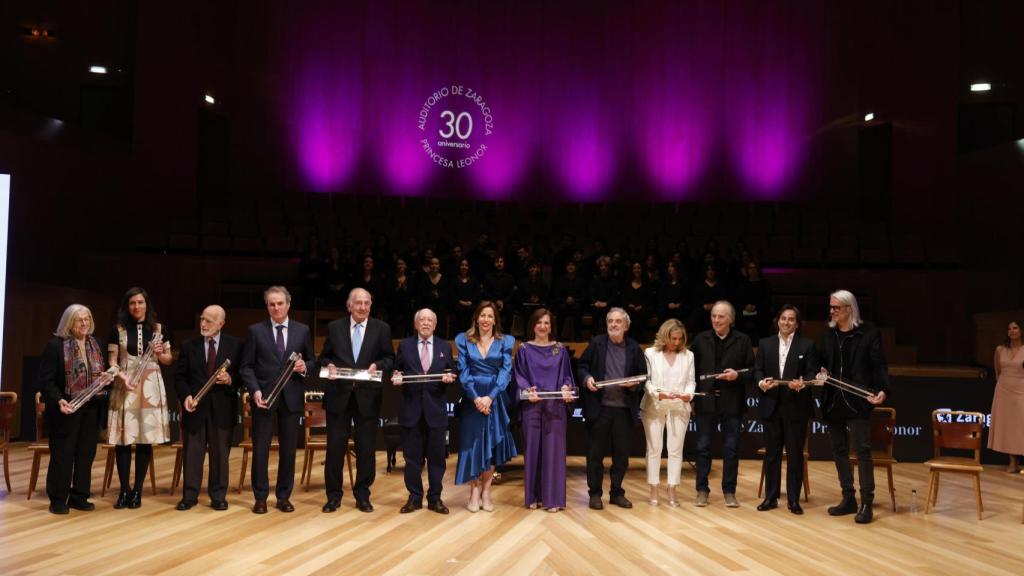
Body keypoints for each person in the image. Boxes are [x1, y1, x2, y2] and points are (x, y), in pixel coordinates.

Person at [318, 287, 394, 513]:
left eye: (367, 303)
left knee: (366, 449)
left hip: (367, 397)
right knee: (334, 449)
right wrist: (328, 365)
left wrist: (377, 366)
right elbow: (324, 356)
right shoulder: (334, 327)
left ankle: (362, 494)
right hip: (338, 396)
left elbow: (390, 358)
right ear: (349, 305)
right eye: (358, 303)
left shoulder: (382, 329)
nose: (363, 307)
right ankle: (333, 496)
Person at [239, 286, 314, 514]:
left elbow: (312, 362)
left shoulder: (303, 331)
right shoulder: (255, 331)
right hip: (264, 399)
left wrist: (304, 367)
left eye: (280, 303)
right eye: (272, 304)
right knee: (260, 449)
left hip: (291, 399)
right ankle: (260, 497)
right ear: (267, 306)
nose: (276, 307)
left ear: (288, 304)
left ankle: (284, 497)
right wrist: (254, 391)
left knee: (289, 450)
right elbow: (246, 367)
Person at [817, 289, 889, 524]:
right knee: (839, 451)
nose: (832, 311)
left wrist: (882, 390)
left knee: (862, 450)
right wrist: (820, 373)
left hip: (858, 401)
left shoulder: (868, 333)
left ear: (849, 308)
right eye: (831, 307)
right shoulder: (828, 335)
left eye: (836, 307)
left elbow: (879, 365)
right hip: (833, 400)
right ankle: (848, 498)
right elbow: (819, 363)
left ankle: (867, 501)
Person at [38, 304, 111, 514]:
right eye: (80, 320)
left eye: (87, 318)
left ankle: (79, 496)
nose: (84, 323)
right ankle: (58, 499)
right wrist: (59, 400)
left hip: (92, 407)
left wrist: (108, 378)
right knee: (63, 453)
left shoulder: (98, 344)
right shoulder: (55, 346)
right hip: (66, 408)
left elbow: (103, 375)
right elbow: (47, 381)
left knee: (86, 453)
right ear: (69, 323)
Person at [107, 287, 173, 509]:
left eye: (140, 302)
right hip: (126, 384)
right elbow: (113, 362)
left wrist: (159, 353)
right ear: (127, 306)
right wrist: (122, 376)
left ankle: (137, 492)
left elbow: (168, 360)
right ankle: (123, 490)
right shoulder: (117, 330)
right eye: (132, 303)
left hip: (150, 385)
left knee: (145, 439)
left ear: (147, 305)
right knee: (123, 440)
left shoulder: (159, 329)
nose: (136, 306)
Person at [174, 305, 242, 511]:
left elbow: (243, 375)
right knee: (193, 454)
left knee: (220, 455)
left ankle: (218, 496)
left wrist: (230, 379)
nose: (203, 324)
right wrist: (185, 395)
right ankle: (190, 495)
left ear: (220, 324)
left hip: (223, 408)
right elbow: (180, 377)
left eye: (209, 321)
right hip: (195, 409)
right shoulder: (189, 345)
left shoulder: (236, 345)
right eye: (202, 319)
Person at [578, 308, 646, 510]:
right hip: (600, 409)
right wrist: (587, 378)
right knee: (595, 454)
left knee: (622, 455)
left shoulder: (634, 348)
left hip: (624, 410)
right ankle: (595, 494)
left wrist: (634, 383)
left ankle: (616, 492)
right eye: (610, 321)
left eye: (618, 321)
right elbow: (582, 367)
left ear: (626, 326)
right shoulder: (597, 344)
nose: (614, 325)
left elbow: (643, 375)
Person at [753, 305, 818, 514]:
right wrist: (762, 382)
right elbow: (758, 370)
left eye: (791, 319)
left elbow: (811, 373)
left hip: (796, 406)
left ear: (797, 324)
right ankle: (771, 498)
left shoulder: (807, 345)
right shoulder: (765, 343)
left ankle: (793, 500)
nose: (786, 322)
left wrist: (803, 383)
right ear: (777, 321)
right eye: (783, 318)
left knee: (795, 455)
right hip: (771, 405)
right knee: (772, 454)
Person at [454, 301, 517, 512]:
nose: (486, 320)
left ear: (495, 320)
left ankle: (487, 491)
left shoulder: (505, 341)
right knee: (472, 444)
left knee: (491, 445)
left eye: (490, 316)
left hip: (494, 396)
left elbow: (505, 371)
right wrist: (476, 398)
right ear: (476, 318)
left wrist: (489, 397)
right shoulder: (463, 339)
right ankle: (473, 491)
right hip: (473, 398)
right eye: (483, 315)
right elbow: (463, 372)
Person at [392, 309, 456, 514]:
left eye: (430, 320)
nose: (426, 323)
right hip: (411, 411)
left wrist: (450, 377)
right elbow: (397, 370)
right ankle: (414, 497)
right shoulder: (405, 345)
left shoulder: (445, 346)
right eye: (422, 319)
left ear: (435, 325)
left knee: (437, 459)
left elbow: (452, 372)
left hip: (435, 411)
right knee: (412, 459)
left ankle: (435, 498)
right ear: (416, 323)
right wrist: (396, 376)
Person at [691, 300, 754, 508]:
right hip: (706, 400)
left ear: (731, 320)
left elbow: (752, 372)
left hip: (732, 401)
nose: (716, 320)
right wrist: (692, 397)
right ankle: (702, 490)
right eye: (714, 316)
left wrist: (737, 376)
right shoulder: (700, 339)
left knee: (731, 448)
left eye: (721, 316)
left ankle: (729, 491)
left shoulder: (743, 340)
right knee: (702, 448)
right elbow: (691, 371)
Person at [514, 308, 575, 512]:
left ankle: (553, 499)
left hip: (555, 406)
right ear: (533, 325)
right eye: (539, 322)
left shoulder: (560, 349)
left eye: (546, 323)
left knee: (554, 452)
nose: (542, 326)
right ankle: (532, 496)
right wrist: (525, 390)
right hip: (532, 405)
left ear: (551, 326)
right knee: (532, 451)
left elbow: (567, 376)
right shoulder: (523, 349)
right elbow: (519, 377)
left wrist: (566, 386)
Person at [640, 319, 695, 508]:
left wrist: (689, 394)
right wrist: (658, 393)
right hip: (655, 406)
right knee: (654, 448)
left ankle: (672, 487)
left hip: (679, 407)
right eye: (673, 338)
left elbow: (691, 381)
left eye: (680, 339)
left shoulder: (688, 355)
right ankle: (654, 487)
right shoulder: (650, 353)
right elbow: (646, 381)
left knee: (676, 449)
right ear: (665, 336)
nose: (677, 342)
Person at [989, 320, 1024, 473]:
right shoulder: (1000, 349)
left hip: (1021, 391)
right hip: (1003, 392)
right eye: (1009, 328)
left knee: (1020, 426)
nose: (1012, 331)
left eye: (1015, 328)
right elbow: (998, 372)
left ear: (1021, 330)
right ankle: (1012, 463)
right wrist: (1002, 386)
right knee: (1010, 426)